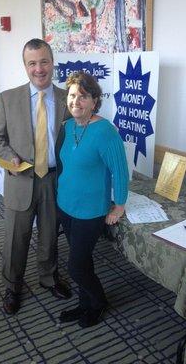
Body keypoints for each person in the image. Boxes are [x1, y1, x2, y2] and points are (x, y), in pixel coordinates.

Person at [0, 38, 72, 315]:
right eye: (32, 63)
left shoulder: (66, 98)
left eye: (44, 61)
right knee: (16, 237)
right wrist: (8, 158)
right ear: (25, 66)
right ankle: (13, 286)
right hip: (20, 179)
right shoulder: (8, 98)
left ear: (52, 63)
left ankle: (48, 278)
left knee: (49, 235)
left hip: (53, 179)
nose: (39, 69)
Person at [56, 72, 129, 328]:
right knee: (83, 261)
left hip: (90, 211)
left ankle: (98, 302)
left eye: (83, 96)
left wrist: (119, 205)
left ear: (95, 101)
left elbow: (120, 171)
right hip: (66, 205)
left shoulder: (106, 131)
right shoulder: (67, 126)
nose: (76, 101)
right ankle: (84, 304)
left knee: (76, 266)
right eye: (73, 95)